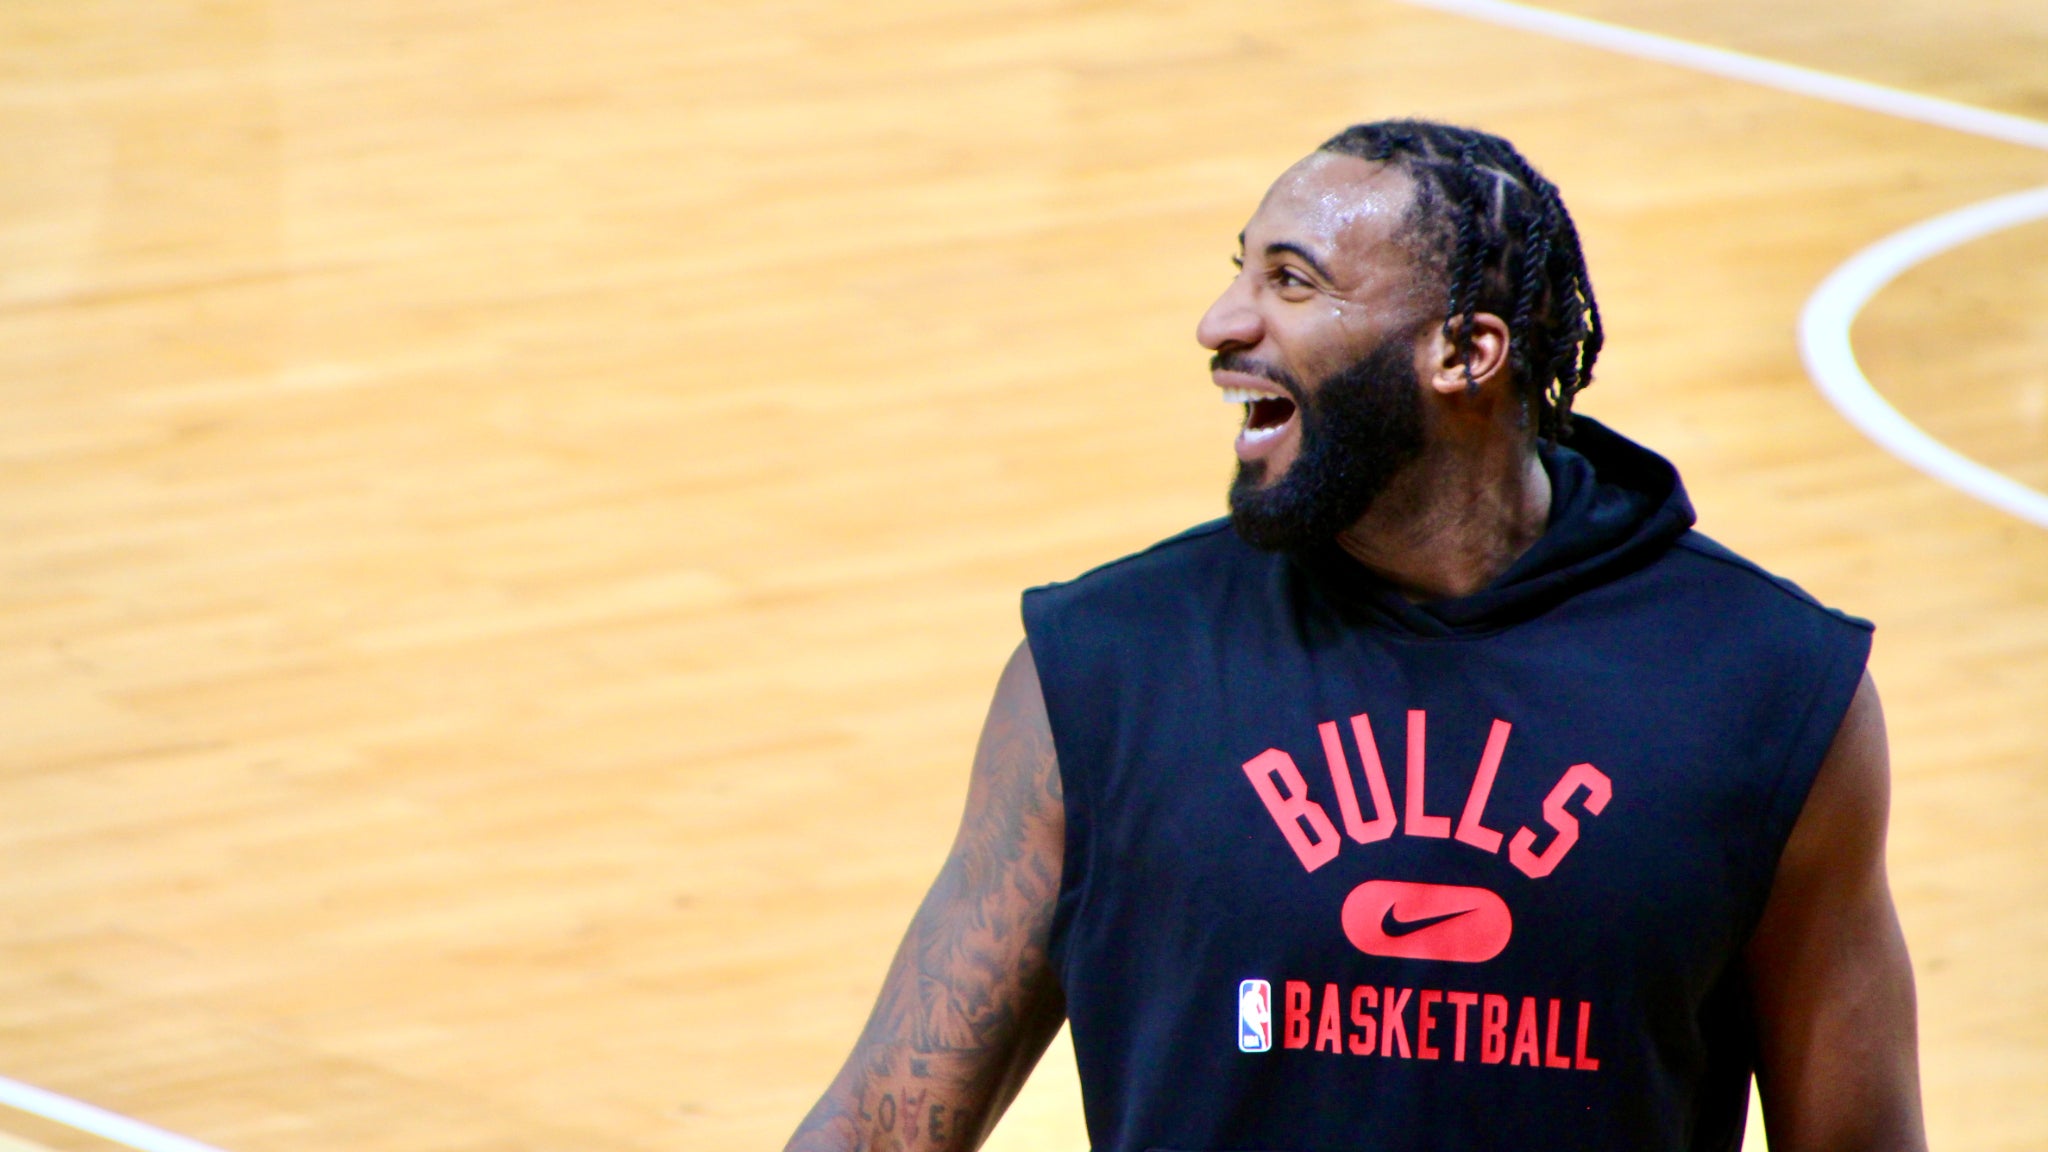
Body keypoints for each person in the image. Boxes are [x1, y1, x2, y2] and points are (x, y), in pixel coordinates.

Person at [785, 119, 1927, 1152]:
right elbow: (885, 1128)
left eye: (1291, 281)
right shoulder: (1105, 672)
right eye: (1238, 270)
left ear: (1463, 354)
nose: (1221, 324)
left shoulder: (1763, 690)